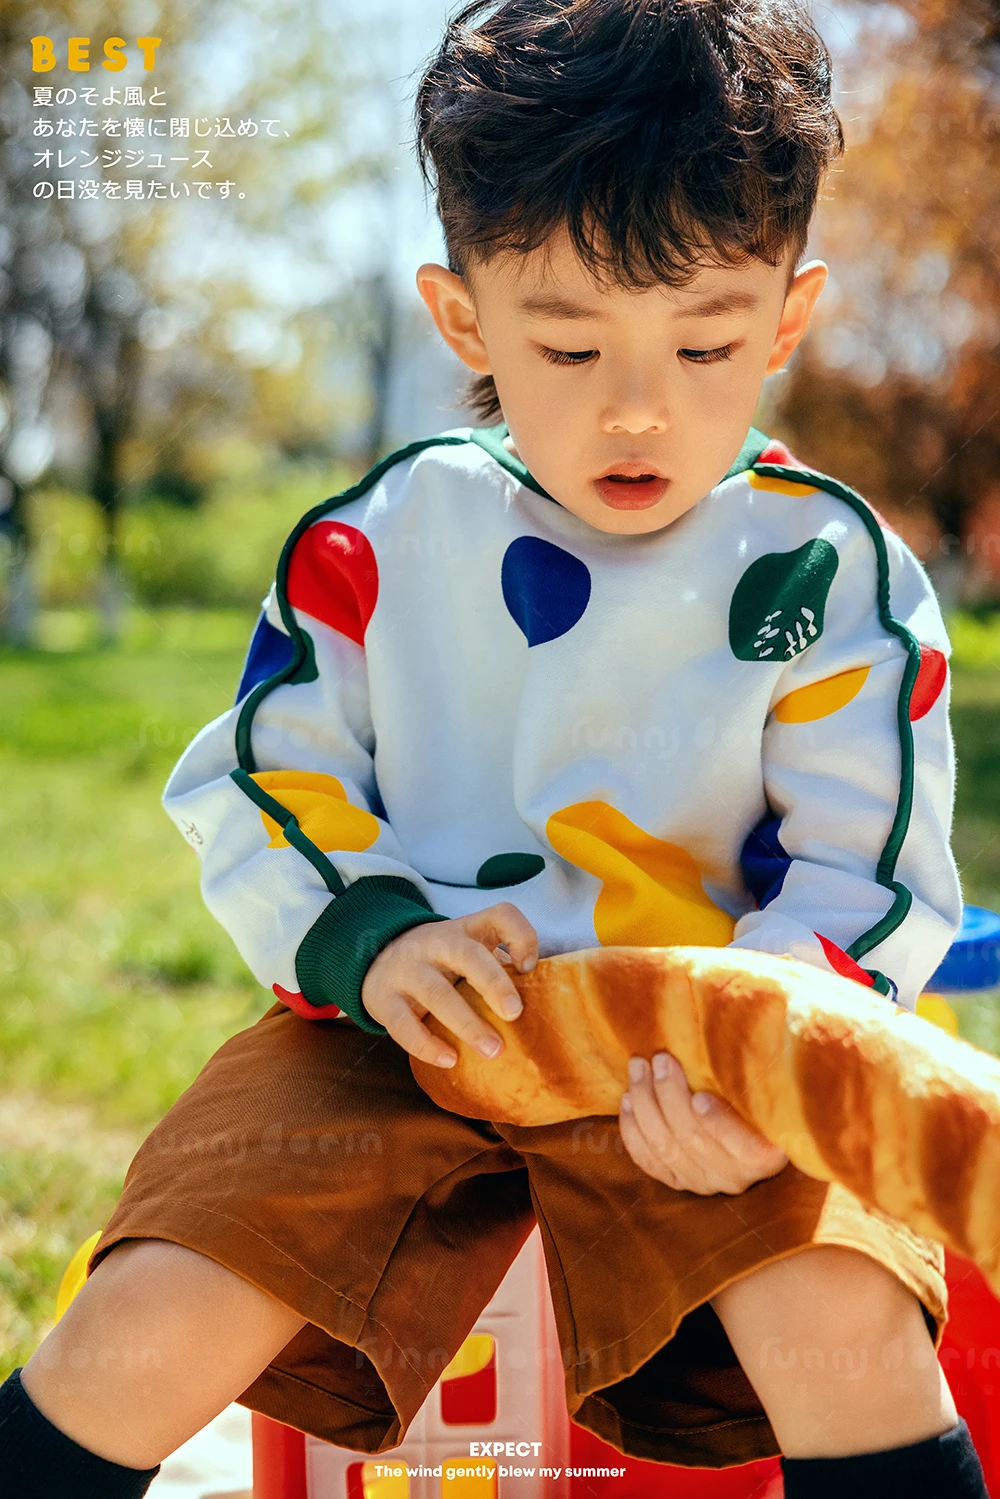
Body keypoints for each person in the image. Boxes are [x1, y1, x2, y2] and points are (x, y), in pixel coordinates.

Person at [1, 1, 989, 1496]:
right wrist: (374, 942)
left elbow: (867, 862)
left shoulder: (828, 577)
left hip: (703, 1061)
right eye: (569, 341)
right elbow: (270, 777)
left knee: (840, 1307)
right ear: (464, 320)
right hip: (400, 1034)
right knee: (155, 1297)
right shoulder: (384, 545)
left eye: (708, 339)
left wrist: (768, 1054)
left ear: (786, 320)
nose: (639, 401)